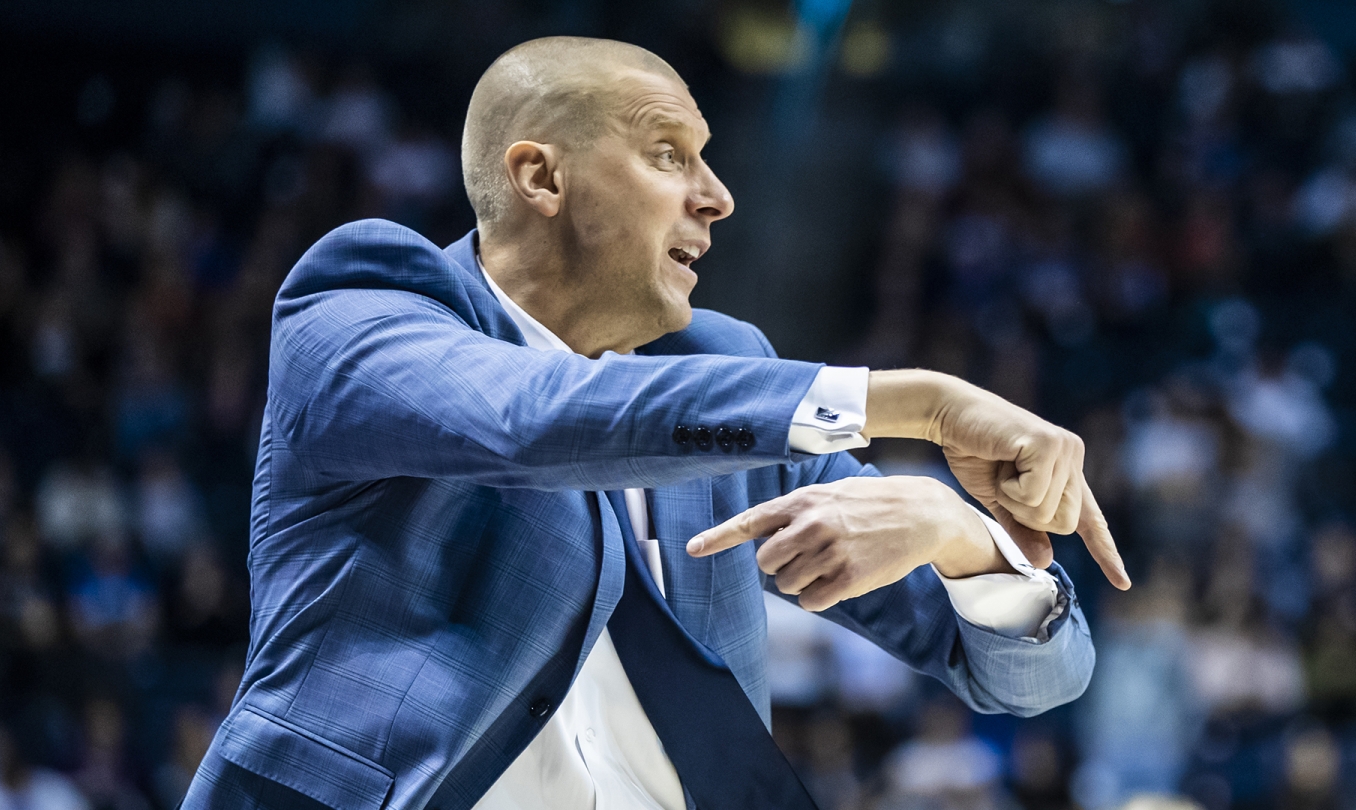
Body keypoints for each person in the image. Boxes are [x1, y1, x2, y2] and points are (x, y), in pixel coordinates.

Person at [181, 37, 1127, 810]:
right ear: (539, 177)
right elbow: (531, 419)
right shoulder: (361, 305)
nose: (715, 194)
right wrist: (911, 401)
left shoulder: (725, 373)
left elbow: (1036, 681)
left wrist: (951, 528)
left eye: (710, 158)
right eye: (669, 153)